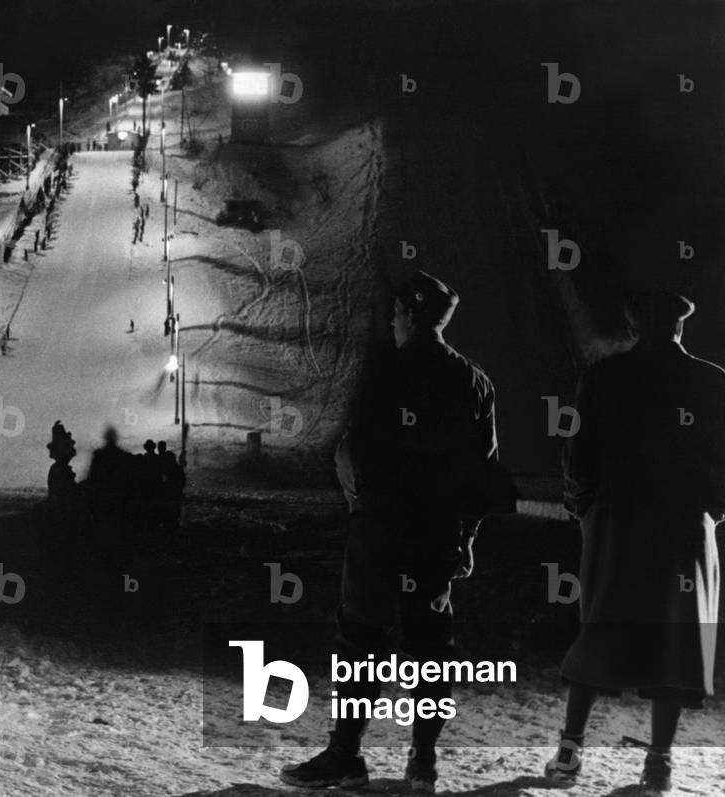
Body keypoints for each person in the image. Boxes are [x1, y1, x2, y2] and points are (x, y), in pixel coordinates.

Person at [281, 270, 503, 793]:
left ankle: (345, 754)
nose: (392, 320)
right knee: (430, 644)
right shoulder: (476, 381)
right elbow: (483, 472)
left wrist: (359, 504)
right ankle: (422, 761)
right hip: (437, 533)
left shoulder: (382, 373)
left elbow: (351, 452)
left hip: (379, 529)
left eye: (397, 312)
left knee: (360, 639)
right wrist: (466, 536)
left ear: (407, 315)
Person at [544, 291, 725, 794]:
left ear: (633, 322)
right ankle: (659, 762)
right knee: (676, 640)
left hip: (618, 522)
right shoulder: (712, 381)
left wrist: (586, 508)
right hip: (686, 528)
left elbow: (579, 452)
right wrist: (710, 514)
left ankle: (569, 751)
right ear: (680, 326)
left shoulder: (605, 376)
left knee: (600, 628)